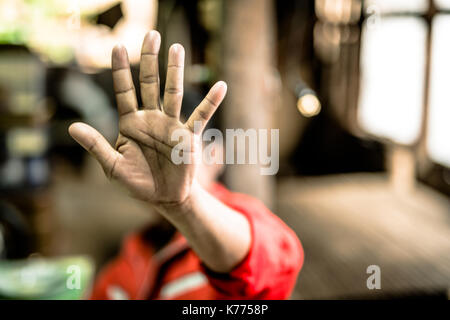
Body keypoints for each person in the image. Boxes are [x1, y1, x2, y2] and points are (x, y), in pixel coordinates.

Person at [68, 30, 303, 300]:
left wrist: (186, 203)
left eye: (177, 149)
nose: (156, 162)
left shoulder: (244, 225)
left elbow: (276, 265)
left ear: (215, 156)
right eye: (146, 149)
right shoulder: (131, 254)